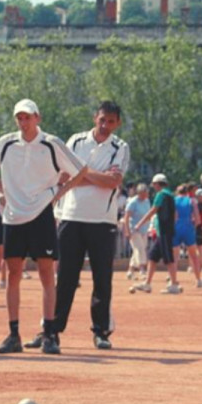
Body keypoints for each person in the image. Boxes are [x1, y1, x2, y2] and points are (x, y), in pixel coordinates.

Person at [0, 99, 88, 356]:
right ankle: (13, 333)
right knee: (13, 275)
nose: (23, 122)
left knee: (46, 274)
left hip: (42, 214)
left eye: (28, 117)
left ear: (37, 118)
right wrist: (0, 187)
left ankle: (50, 333)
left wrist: (57, 193)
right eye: (19, 118)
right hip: (13, 217)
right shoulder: (7, 143)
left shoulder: (51, 143)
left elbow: (80, 169)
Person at [46, 101, 130, 350]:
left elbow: (113, 181)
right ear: (95, 117)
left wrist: (81, 175)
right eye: (102, 119)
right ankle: (53, 330)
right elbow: (63, 176)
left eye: (111, 121)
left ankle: (101, 331)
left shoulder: (120, 147)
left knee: (102, 279)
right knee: (66, 278)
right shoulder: (76, 141)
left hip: (102, 221)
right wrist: (95, 176)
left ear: (118, 123)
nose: (105, 125)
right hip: (71, 217)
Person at [132, 174, 180, 294]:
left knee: (168, 258)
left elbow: (153, 210)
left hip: (164, 231)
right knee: (153, 257)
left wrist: (140, 223)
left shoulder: (161, 195)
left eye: (154, 184)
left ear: (157, 184)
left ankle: (174, 285)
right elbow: (175, 215)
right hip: (163, 231)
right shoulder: (170, 195)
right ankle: (147, 284)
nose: (153, 187)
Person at [172, 184, 202, 287]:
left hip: (176, 228)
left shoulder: (174, 200)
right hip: (188, 228)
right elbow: (198, 219)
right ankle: (198, 280)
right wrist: (193, 227)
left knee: (175, 257)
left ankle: (173, 281)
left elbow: (174, 216)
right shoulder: (192, 201)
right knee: (193, 256)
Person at [124, 183, 151, 280]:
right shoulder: (133, 202)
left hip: (144, 229)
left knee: (139, 249)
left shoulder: (147, 201)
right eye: (143, 193)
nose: (145, 195)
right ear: (139, 193)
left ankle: (130, 270)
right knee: (140, 249)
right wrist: (127, 231)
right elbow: (126, 217)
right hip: (134, 229)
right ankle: (142, 269)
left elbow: (148, 215)